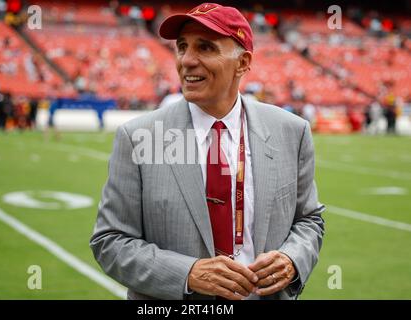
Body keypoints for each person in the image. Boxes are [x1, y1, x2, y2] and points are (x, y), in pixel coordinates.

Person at [90, 3, 325, 300]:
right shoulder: (138, 137)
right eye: (182, 47)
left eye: (205, 48)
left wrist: (292, 259)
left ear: (243, 63)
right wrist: (187, 273)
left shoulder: (291, 131)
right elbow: (110, 241)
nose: (186, 60)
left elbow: (309, 220)